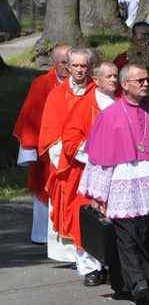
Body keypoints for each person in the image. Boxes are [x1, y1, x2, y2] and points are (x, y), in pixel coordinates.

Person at [78, 63, 149, 304]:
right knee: (126, 233)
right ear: (124, 84)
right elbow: (99, 158)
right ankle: (137, 281)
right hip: (122, 182)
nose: (145, 84)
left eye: (146, 80)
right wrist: (97, 194)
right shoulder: (109, 115)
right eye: (139, 80)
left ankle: (140, 281)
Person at [57, 62, 120, 286]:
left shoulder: (123, 103)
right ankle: (91, 269)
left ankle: (115, 265)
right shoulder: (84, 105)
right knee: (88, 219)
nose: (113, 80)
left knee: (117, 217)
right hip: (88, 171)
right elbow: (71, 139)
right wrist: (98, 153)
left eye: (116, 76)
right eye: (109, 76)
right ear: (97, 79)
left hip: (120, 171)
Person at [39, 48, 100, 263]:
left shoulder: (99, 92)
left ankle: (96, 253)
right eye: (75, 66)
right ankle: (70, 254)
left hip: (97, 161)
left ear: (90, 67)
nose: (79, 70)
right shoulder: (57, 94)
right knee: (67, 203)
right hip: (67, 161)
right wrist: (73, 152)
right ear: (68, 66)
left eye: (83, 66)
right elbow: (49, 133)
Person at [13, 44, 71, 245]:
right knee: (43, 187)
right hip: (47, 151)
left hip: (74, 149)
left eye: (70, 62)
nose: (68, 67)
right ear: (54, 63)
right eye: (63, 62)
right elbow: (30, 117)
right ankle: (41, 234)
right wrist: (29, 152)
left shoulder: (84, 84)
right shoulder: (41, 84)